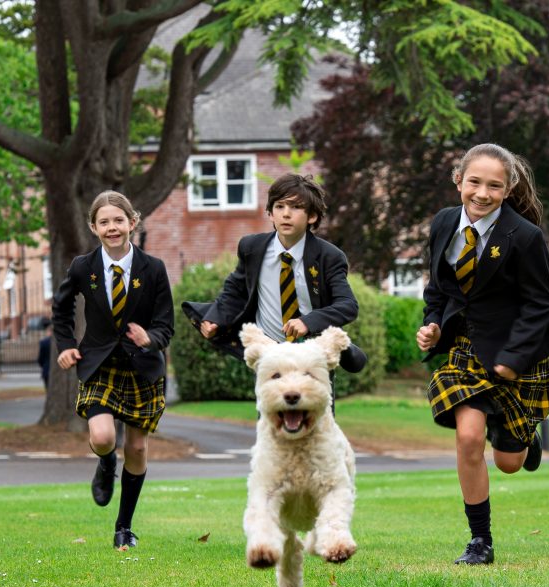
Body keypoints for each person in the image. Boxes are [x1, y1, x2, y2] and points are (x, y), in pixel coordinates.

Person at [416, 143, 549, 565]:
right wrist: (431, 325)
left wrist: (512, 358)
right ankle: (479, 541)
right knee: (468, 437)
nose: (482, 193)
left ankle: (523, 436)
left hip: (515, 350)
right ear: (458, 181)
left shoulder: (523, 236)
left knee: (507, 463)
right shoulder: (444, 223)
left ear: (508, 189)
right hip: (465, 350)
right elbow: (438, 288)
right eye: (474, 182)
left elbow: (540, 305)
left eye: (494, 186)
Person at [53, 190, 175, 549]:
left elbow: (166, 325)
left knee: (136, 449)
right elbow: (60, 311)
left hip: (143, 369)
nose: (112, 227)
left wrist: (149, 338)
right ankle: (106, 465)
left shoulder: (153, 269)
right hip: (99, 364)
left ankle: (124, 527)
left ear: (132, 223)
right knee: (104, 437)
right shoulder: (82, 267)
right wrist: (66, 347)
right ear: (94, 227)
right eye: (104, 222)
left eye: (118, 220)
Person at [182, 173, 366, 373]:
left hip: (312, 357)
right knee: (269, 405)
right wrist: (215, 319)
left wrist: (308, 321)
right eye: (279, 206)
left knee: (314, 405)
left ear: (312, 216)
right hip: (268, 355)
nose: (286, 214)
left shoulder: (329, 256)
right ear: (270, 213)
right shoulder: (251, 247)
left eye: (296, 207)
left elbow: (347, 306)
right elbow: (235, 291)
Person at [37, 320, 52, 389]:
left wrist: (42, 364)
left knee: (48, 389)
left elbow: (40, 358)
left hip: (46, 369)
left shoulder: (44, 342)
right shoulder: (60, 343)